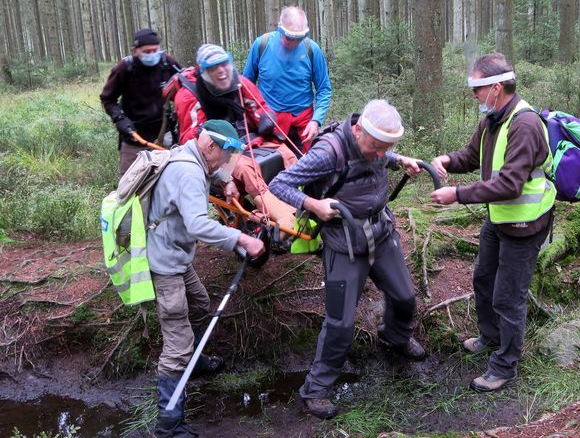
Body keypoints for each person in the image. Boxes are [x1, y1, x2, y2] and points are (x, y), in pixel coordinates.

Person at [269, 99, 426, 419]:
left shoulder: (377, 147)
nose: (381, 154)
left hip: (381, 233)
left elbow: (381, 154)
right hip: (344, 244)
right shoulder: (329, 152)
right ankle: (316, 389)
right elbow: (279, 184)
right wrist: (313, 204)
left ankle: (395, 337)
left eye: (388, 148)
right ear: (357, 131)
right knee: (340, 323)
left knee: (405, 297)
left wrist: (399, 159)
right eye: (376, 146)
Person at [430, 53, 556, 393]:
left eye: (477, 88)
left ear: (495, 87)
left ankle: (505, 365)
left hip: (525, 225)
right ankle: (490, 337)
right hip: (499, 218)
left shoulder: (524, 124)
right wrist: (446, 160)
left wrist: (456, 194)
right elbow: (471, 157)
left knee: (508, 297)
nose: (473, 95)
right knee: (483, 279)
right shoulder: (492, 119)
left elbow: (509, 184)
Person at [148, 119, 265, 437]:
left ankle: (195, 363)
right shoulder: (188, 172)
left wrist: (227, 180)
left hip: (174, 254)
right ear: (209, 145)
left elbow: (212, 169)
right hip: (165, 263)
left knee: (199, 303)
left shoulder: (189, 153)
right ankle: (168, 425)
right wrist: (241, 239)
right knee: (177, 345)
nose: (226, 161)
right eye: (225, 154)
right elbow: (199, 225)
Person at [170, 43, 298, 236]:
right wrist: (226, 165)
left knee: (287, 154)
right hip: (218, 153)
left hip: (249, 141)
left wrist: (266, 118)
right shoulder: (189, 96)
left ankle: (297, 201)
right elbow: (195, 141)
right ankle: (283, 218)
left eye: (224, 65)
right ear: (203, 72)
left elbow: (259, 106)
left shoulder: (240, 83)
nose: (222, 72)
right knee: (248, 170)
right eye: (214, 68)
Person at [243, 6, 332, 155]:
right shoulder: (262, 45)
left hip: (303, 125)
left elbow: (324, 89)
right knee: (271, 169)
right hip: (269, 123)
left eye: (298, 38)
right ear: (280, 28)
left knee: (305, 170)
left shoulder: (312, 50)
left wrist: (316, 120)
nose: (293, 42)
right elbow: (246, 85)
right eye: (289, 37)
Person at [100, 28, 180, 175]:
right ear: (135, 50)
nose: (151, 55)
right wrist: (120, 119)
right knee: (129, 184)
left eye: (155, 50)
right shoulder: (124, 68)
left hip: (164, 135)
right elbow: (107, 98)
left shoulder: (167, 63)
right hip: (134, 137)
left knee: (169, 181)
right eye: (146, 51)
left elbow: (186, 85)